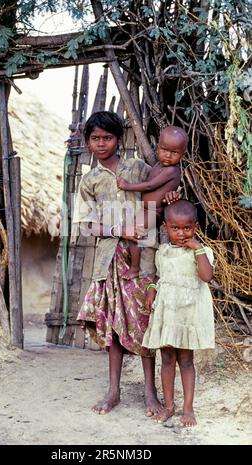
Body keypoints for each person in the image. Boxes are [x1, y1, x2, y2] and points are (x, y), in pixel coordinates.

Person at [73, 111, 168, 416]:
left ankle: (150, 392)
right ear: (88, 141)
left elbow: (159, 200)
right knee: (113, 323)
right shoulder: (90, 181)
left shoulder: (139, 169)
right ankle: (113, 391)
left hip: (143, 255)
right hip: (109, 259)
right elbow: (86, 226)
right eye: (95, 138)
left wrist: (169, 197)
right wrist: (117, 230)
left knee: (144, 322)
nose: (101, 144)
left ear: (119, 139)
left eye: (107, 137)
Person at [142, 199, 215, 427]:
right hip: (168, 315)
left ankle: (188, 409)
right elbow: (159, 277)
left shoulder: (202, 251)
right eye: (175, 228)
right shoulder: (162, 252)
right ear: (166, 228)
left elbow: (206, 276)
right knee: (166, 359)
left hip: (188, 316)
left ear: (195, 227)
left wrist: (198, 249)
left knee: (186, 360)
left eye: (187, 228)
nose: (181, 233)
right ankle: (169, 406)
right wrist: (152, 290)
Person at [117, 125, 188, 279]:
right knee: (133, 233)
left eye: (174, 152)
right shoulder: (158, 165)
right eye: (164, 150)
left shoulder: (172, 171)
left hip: (154, 211)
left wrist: (127, 186)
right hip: (146, 209)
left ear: (182, 154)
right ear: (158, 148)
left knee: (132, 232)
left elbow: (150, 185)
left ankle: (135, 268)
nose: (168, 155)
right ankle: (133, 263)